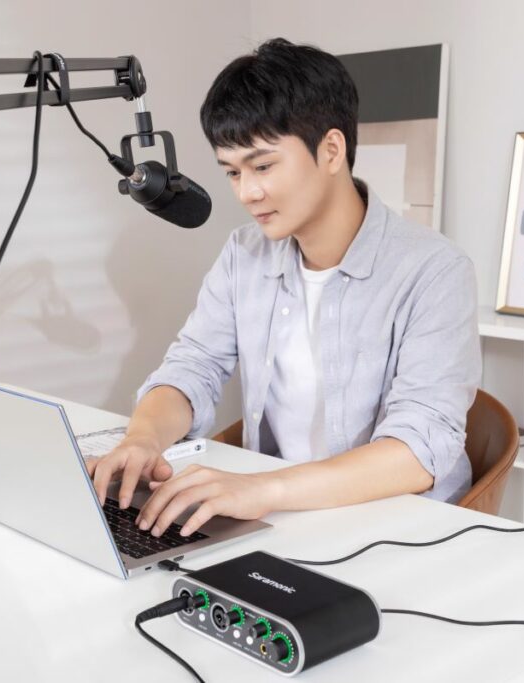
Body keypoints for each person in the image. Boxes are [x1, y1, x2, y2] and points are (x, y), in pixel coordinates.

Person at [86, 37, 481, 540]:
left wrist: (263, 490)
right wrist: (141, 439)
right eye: (232, 171)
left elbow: (419, 448)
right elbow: (195, 365)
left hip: (396, 526)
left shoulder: (435, 271)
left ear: (331, 150)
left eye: (263, 166)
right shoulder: (243, 253)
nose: (247, 193)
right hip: (280, 516)